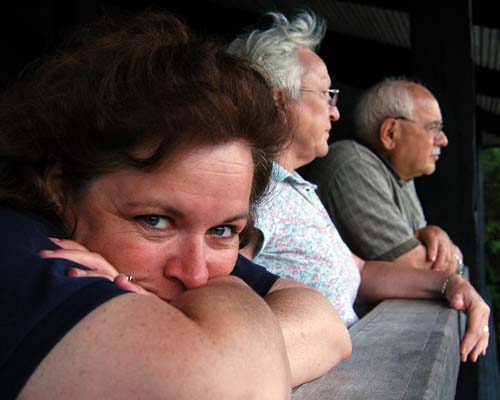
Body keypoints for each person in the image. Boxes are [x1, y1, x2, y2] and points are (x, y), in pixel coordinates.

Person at [0, 12, 351, 399]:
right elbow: (234, 387)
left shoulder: (189, 256)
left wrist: (203, 332)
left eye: (223, 229)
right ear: (59, 188)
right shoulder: (17, 248)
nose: (196, 275)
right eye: (155, 220)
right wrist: (227, 320)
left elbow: (327, 327)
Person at [228, 10, 490, 362]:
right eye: (326, 95)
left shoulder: (294, 189)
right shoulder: (255, 193)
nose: (336, 112)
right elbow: (219, 286)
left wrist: (450, 284)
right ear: (279, 101)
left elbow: (362, 271)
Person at [306, 77, 462, 273]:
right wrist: (455, 257)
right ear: (390, 133)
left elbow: (430, 256)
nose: (444, 140)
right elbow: (419, 270)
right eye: (433, 128)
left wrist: (436, 236)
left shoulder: (400, 175)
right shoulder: (353, 165)